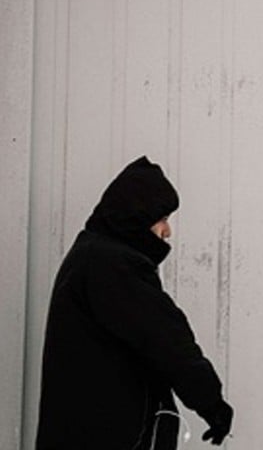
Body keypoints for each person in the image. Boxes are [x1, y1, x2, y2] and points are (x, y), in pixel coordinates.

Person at [36, 156, 234, 449]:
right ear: (137, 216)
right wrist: (211, 403)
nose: (167, 232)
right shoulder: (113, 264)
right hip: (107, 434)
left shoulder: (91, 255)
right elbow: (166, 338)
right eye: (162, 219)